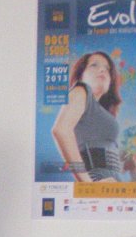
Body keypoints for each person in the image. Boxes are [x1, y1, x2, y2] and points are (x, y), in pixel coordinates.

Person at [51, 51, 122, 182]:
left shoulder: (99, 110)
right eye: (94, 65)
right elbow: (61, 130)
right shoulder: (81, 90)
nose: (102, 69)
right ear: (81, 74)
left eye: (107, 68)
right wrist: (87, 184)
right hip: (98, 181)